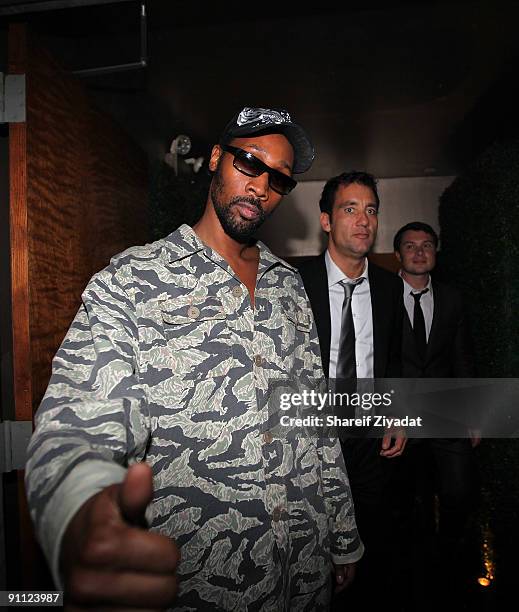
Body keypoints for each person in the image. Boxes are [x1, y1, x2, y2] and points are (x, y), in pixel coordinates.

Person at [25, 107, 364, 611]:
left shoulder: (290, 286)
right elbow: (76, 426)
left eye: (279, 179)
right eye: (249, 163)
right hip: (200, 586)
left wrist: (342, 532)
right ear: (214, 160)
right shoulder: (132, 281)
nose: (261, 187)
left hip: (305, 574)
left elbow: (314, 420)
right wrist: (78, 515)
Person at [298, 171, 406, 607]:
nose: (364, 220)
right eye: (350, 209)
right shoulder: (293, 282)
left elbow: (395, 358)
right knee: (312, 542)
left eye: (371, 210)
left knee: (370, 545)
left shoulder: (389, 286)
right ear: (326, 221)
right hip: (309, 437)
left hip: (368, 437)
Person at [393, 221, 479, 604]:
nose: (418, 252)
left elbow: (462, 356)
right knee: (407, 499)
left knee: (458, 490)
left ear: (435, 252)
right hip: (400, 417)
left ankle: (451, 560)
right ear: (398, 254)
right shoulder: (379, 296)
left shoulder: (453, 299)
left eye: (426, 245)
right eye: (410, 246)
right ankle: (414, 571)